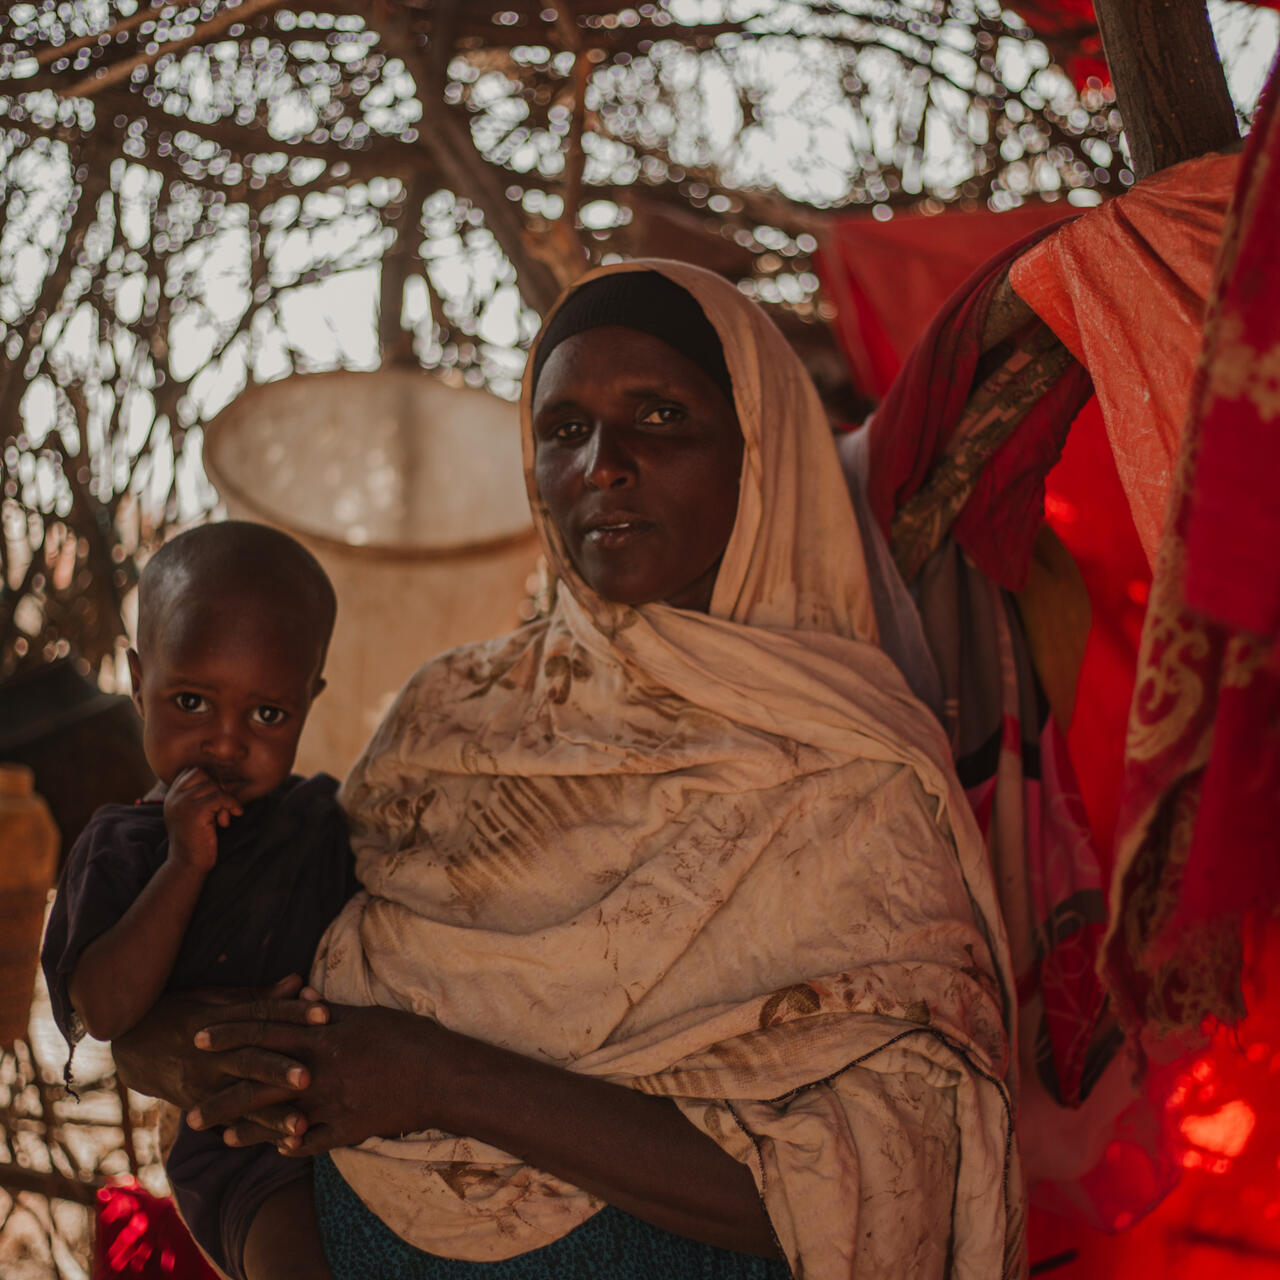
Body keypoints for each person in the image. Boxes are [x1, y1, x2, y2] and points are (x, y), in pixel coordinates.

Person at [113, 263, 1022, 1280]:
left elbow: (890, 1176)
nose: (603, 464)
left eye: (660, 416)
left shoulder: (854, 773)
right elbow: (247, 949)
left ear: (758, 450)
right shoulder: (448, 713)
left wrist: (441, 1080)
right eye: (564, 429)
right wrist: (185, 1043)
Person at [41, 520, 356, 1272]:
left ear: (308, 702)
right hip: (242, 1147)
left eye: (268, 714)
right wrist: (184, 863)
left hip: (360, 1109)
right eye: (191, 701)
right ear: (136, 680)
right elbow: (105, 1011)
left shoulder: (319, 820)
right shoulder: (122, 846)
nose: (225, 740)